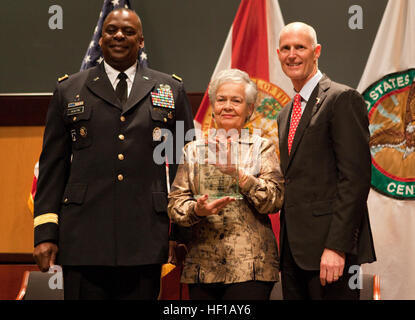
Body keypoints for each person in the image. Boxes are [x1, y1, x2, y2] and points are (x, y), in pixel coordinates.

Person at [32, 8, 194, 300]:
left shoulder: (170, 89)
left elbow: (185, 166)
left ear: (141, 41)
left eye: (129, 31)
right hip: (83, 239)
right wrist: (45, 233)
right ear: (101, 40)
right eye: (112, 30)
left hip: (145, 236)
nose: (119, 35)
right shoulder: (69, 89)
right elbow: (52, 166)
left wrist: (179, 233)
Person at [276, 22, 376, 300]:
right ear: (278, 54)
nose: (292, 55)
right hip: (293, 253)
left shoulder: (342, 98)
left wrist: (337, 247)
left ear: (317, 51)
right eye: (286, 48)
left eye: (300, 47)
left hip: (331, 253)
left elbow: (355, 180)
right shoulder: (285, 113)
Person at [168, 68, 284, 300]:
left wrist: (239, 176)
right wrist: (196, 210)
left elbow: (275, 200)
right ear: (213, 107)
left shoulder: (262, 147)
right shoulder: (193, 150)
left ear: (249, 109)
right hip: (202, 267)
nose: (228, 106)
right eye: (221, 100)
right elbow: (175, 205)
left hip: (252, 267)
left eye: (236, 100)